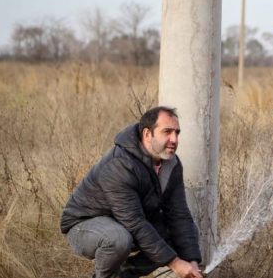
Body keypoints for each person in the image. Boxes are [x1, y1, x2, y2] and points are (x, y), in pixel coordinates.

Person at [60, 106, 203, 278]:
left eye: (177, 132)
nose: (174, 139)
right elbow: (135, 223)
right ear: (147, 134)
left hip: (126, 224)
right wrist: (175, 263)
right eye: (167, 132)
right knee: (118, 239)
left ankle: (124, 274)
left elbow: (179, 216)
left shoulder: (171, 164)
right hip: (84, 225)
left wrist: (192, 262)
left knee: (185, 232)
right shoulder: (120, 164)